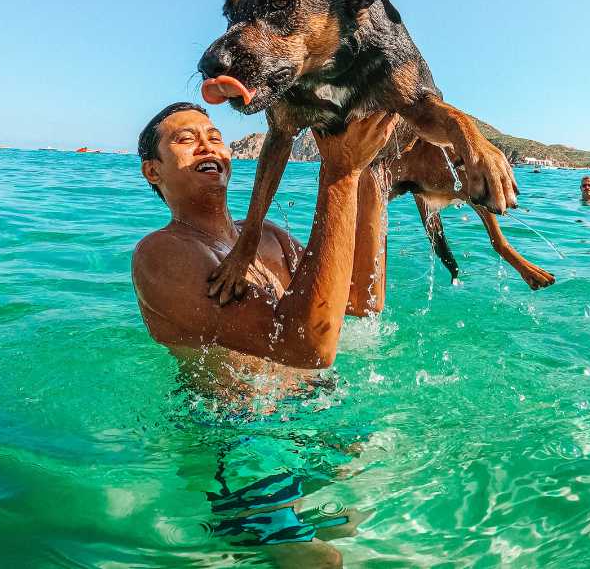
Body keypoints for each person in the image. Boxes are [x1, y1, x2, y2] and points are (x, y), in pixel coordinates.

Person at [131, 102, 395, 567]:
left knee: (355, 527)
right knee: (320, 562)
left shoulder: (269, 236)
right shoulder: (163, 253)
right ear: (154, 172)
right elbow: (308, 347)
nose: (207, 144)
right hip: (243, 438)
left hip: (319, 414)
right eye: (185, 138)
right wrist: (340, 173)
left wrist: (371, 171)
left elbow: (360, 301)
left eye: (214, 135)